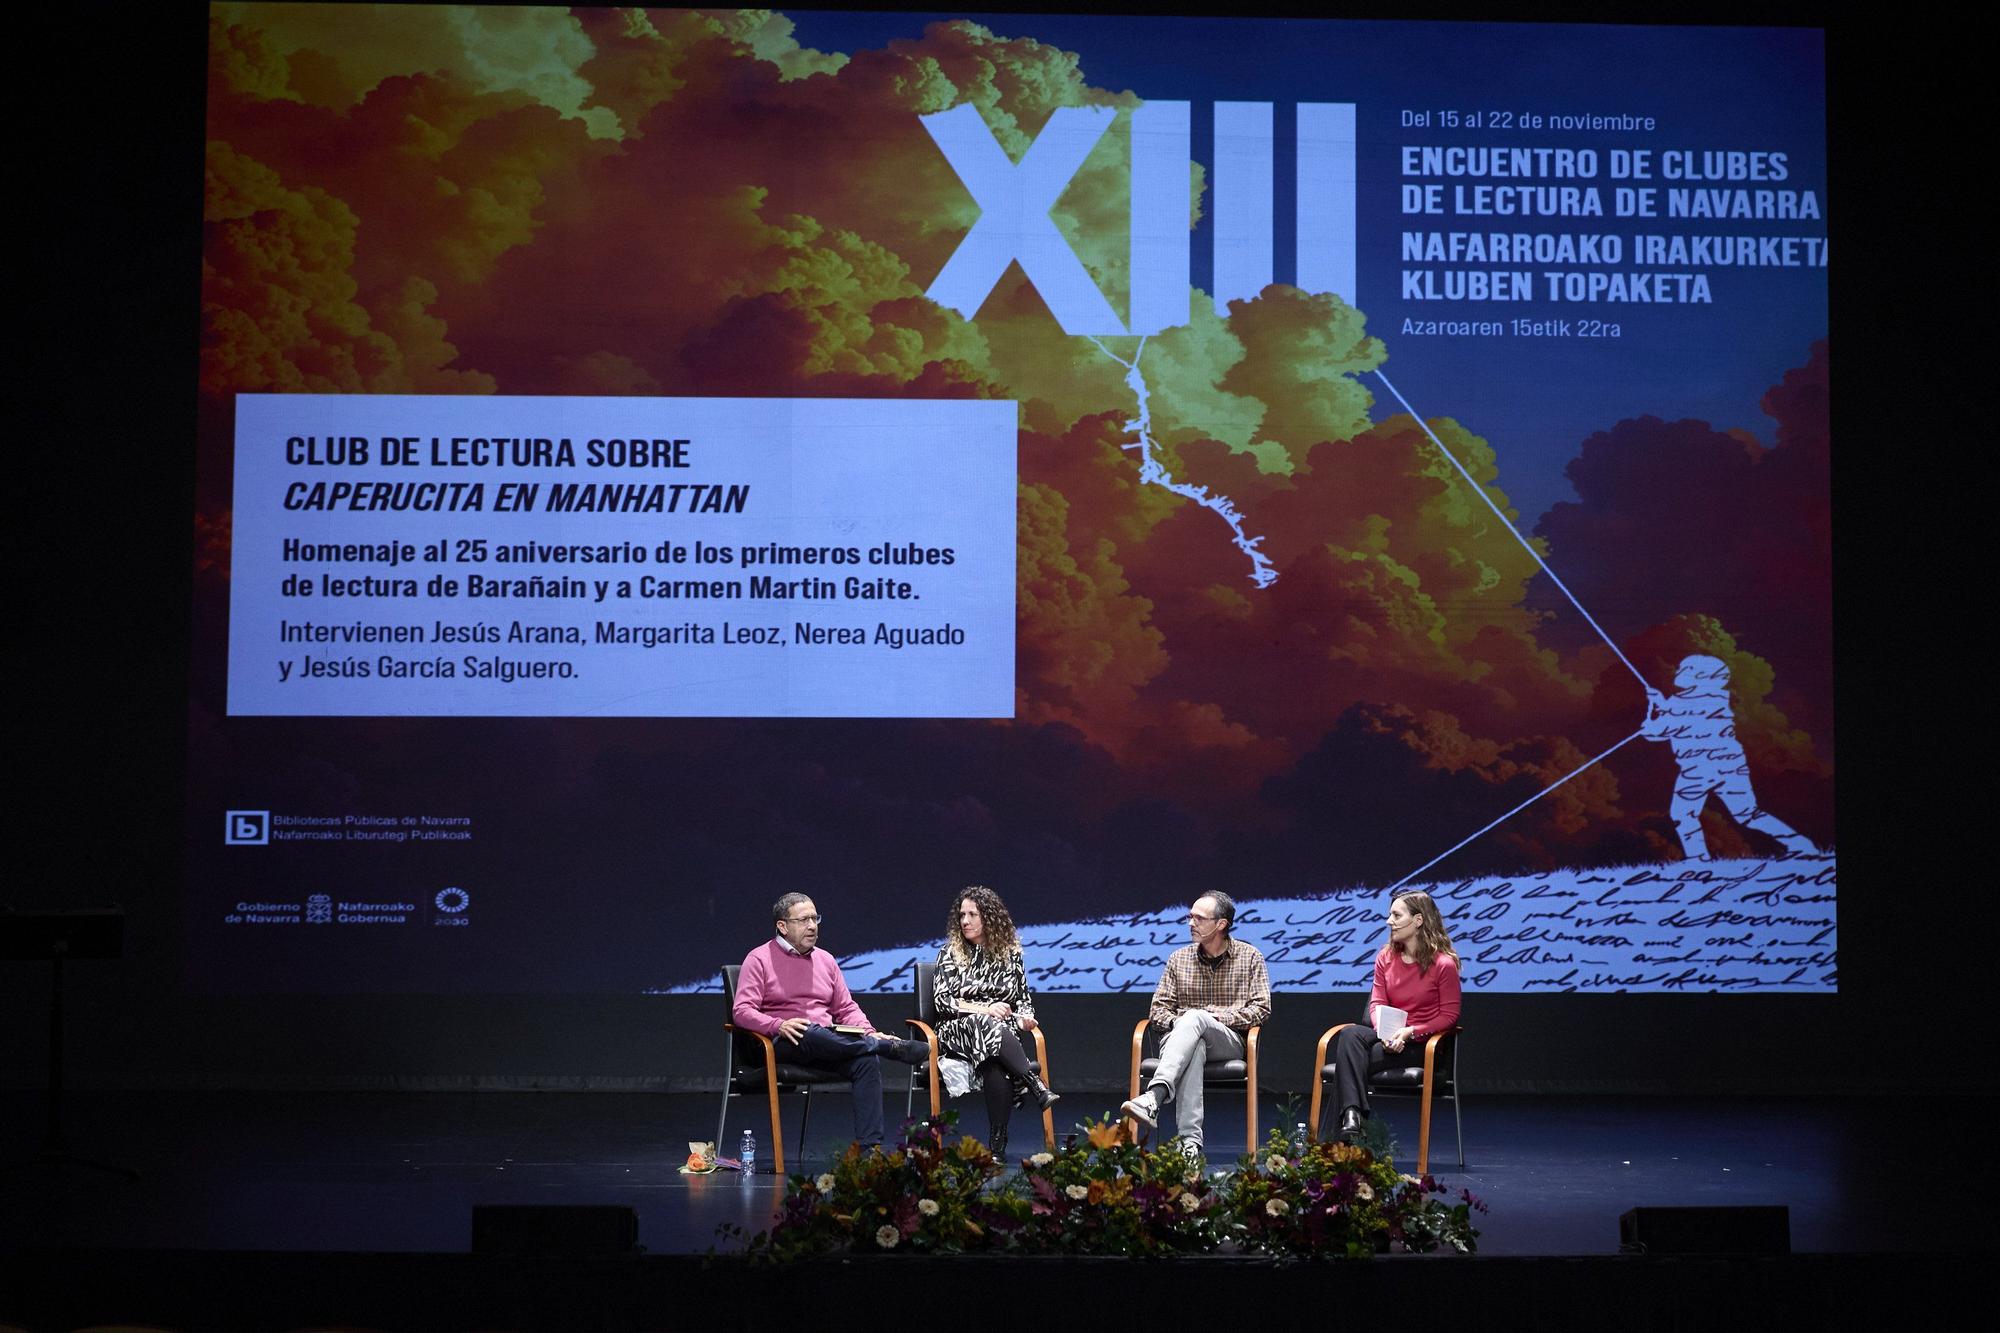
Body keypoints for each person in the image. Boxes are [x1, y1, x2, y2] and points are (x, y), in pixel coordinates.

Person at [732, 892, 929, 1152]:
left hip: (827, 1043)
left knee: (865, 1061)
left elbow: (845, 1008)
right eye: (803, 920)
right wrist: (778, 1025)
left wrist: (870, 1031)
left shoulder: (825, 960)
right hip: (781, 1042)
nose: (812, 926)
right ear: (782, 926)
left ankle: (871, 1150)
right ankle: (884, 1047)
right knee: (808, 1030)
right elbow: (742, 1011)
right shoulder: (759, 959)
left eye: (815, 918)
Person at [1119, 891, 1271, 1166]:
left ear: (1221, 924)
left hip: (1228, 1043)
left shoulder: (1250, 957)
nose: (1191, 922)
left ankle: (1155, 1096)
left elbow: (1261, 1009)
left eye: (1199, 918)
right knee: (1194, 1043)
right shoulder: (1178, 958)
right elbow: (1157, 1011)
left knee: (1196, 1020)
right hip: (1180, 1041)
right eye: (1190, 916)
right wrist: (1182, 1022)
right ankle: (1190, 1145)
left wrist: (1211, 1017)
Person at [1642, 653, 1817, 860]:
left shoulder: (1690, 702)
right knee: (1746, 814)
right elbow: (1663, 728)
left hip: (1700, 768)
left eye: (1687, 669)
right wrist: (1659, 707)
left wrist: (1656, 709)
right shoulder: (1713, 699)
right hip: (1725, 767)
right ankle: (1799, 844)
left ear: (1703, 677)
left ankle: (1698, 860)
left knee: (1685, 814)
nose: (1679, 671)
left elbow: (1656, 732)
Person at [929, 886, 1058, 1161]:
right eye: (962, 915)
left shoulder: (1011, 955)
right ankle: (1033, 1083)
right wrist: (984, 1009)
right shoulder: (950, 953)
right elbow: (943, 1003)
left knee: (995, 1061)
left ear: (989, 917)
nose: (965, 921)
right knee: (986, 1024)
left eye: (972, 914)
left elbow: (1023, 999)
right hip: (958, 1028)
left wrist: (1026, 1018)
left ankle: (997, 1145)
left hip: (999, 1036)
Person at [1327, 891, 1462, 1140]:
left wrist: (1411, 1032)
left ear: (1418, 920)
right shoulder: (1386, 957)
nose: (1389, 921)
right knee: (1350, 1034)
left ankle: (1348, 1125)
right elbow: (1377, 1002)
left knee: (1349, 1063)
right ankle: (1352, 1116)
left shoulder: (1443, 964)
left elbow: (1450, 1015)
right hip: (1387, 1040)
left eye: (1396, 915)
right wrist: (1385, 1033)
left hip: (1421, 1045)